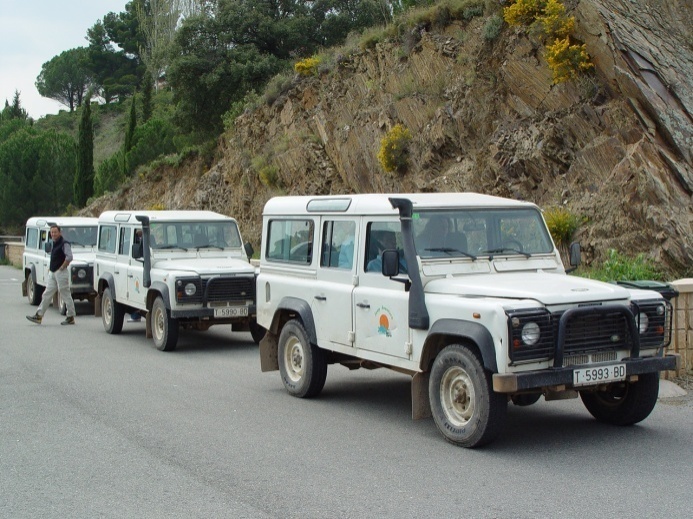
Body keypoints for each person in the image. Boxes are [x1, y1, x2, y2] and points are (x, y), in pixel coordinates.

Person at [26, 225, 77, 325]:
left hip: (61, 273)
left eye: (55, 232)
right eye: (52, 232)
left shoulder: (64, 243)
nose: (53, 234)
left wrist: (62, 267)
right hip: (53, 273)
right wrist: (51, 268)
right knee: (47, 294)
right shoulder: (54, 243)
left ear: (60, 232)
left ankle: (70, 316)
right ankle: (38, 316)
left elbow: (70, 257)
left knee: (65, 294)